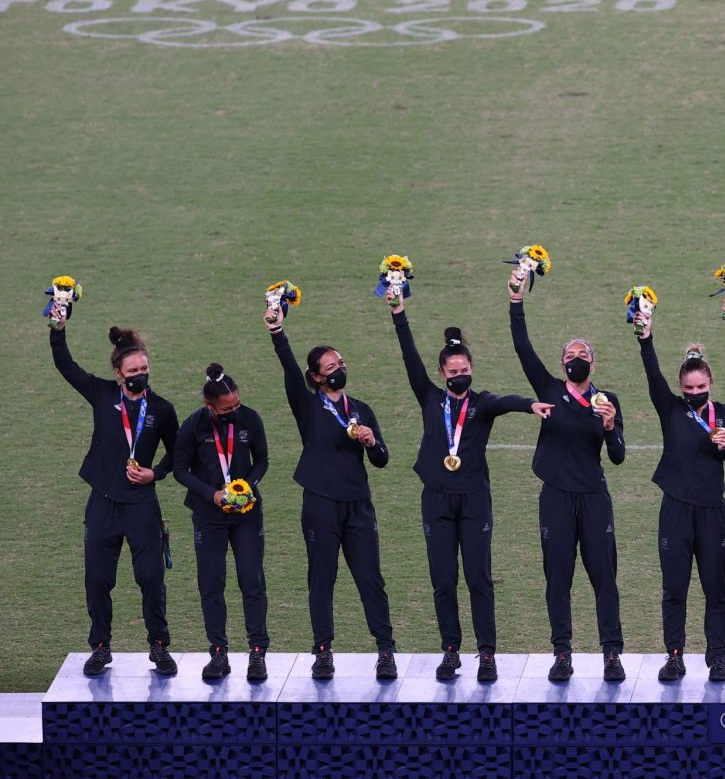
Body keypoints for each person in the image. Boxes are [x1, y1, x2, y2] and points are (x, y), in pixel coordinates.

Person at [389, 292, 551, 682]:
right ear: (443, 372)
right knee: (443, 579)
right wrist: (399, 313)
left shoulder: (482, 403)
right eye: (453, 369)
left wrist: (531, 405)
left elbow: (507, 401)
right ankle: (450, 650)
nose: (460, 373)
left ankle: (487, 653)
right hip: (437, 499)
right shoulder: (429, 397)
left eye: (465, 367)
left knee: (479, 577)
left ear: (471, 369)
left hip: (475, 499)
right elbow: (410, 357)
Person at [265, 303, 397, 680]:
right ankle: (323, 651)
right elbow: (290, 370)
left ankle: (385, 649)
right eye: (331, 368)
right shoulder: (307, 407)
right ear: (317, 378)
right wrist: (277, 332)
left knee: (370, 577)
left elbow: (383, 460)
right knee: (321, 578)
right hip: (320, 503)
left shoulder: (362, 410)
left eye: (341, 363)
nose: (339, 370)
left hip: (358, 506)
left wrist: (372, 443)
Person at [508, 275, 626, 682]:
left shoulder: (606, 401)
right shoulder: (548, 387)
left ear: (593, 363)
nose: (576, 357)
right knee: (557, 577)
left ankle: (612, 653)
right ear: (562, 364)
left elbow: (618, 456)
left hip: (594, 497)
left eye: (583, 353)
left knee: (603, 577)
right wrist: (515, 301)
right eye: (570, 353)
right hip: (556, 496)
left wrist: (611, 427)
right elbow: (522, 349)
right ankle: (562, 653)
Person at [49, 308, 180, 677]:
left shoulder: (161, 409)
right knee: (97, 579)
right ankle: (101, 647)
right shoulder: (101, 393)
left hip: (141, 504)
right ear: (118, 373)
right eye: (133, 370)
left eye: (144, 369)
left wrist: (156, 473)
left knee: (152, 578)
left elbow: (178, 454)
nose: (140, 375)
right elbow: (65, 364)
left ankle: (158, 646)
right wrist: (58, 327)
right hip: (103, 503)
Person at [635, 309, 725, 683]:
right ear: (682, 387)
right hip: (676, 511)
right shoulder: (670, 409)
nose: (696, 394)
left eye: (701, 388)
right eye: (689, 389)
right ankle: (675, 655)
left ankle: (717, 657)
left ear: (711, 382)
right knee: (674, 588)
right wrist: (645, 338)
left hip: (713, 511)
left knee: (716, 589)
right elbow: (652, 376)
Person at [172, 363, 271, 681]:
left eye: (237, 405)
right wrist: (212, 495)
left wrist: (248, 486)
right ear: (209, 405)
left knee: (251, 580)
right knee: (211, 584)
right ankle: (218, 653)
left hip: (246, 514)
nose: (234, 411)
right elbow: (180, 469)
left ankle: (257, 653)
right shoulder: (194, 426)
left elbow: (262, 460)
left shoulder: (250, 419)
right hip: (209, 516)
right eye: (227, 408)